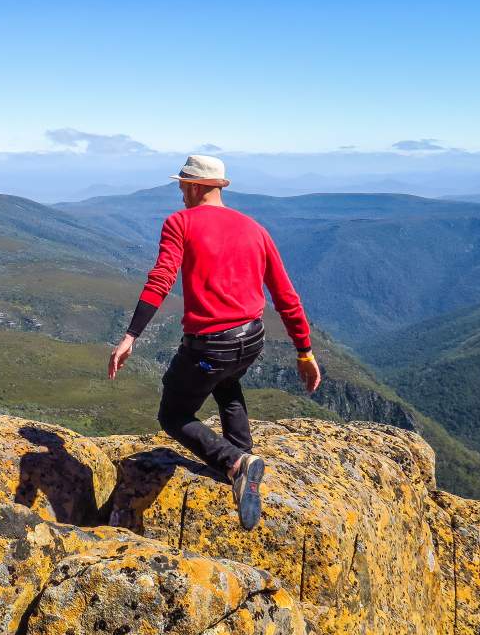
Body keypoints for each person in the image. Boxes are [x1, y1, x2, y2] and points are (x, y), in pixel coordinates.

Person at [107, 154, 321, 531]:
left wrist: (131, 336)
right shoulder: (255, 228)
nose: (179, 191)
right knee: (226, 382)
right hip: (252, 338)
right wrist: (304, 351)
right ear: (219, 187)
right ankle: (245, 457)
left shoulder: (180, 223)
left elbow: (161, 279)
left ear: (192, 186)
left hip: (211, 344)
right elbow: (286, 295)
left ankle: (236, 463)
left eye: (181, 185)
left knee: (173, 415)